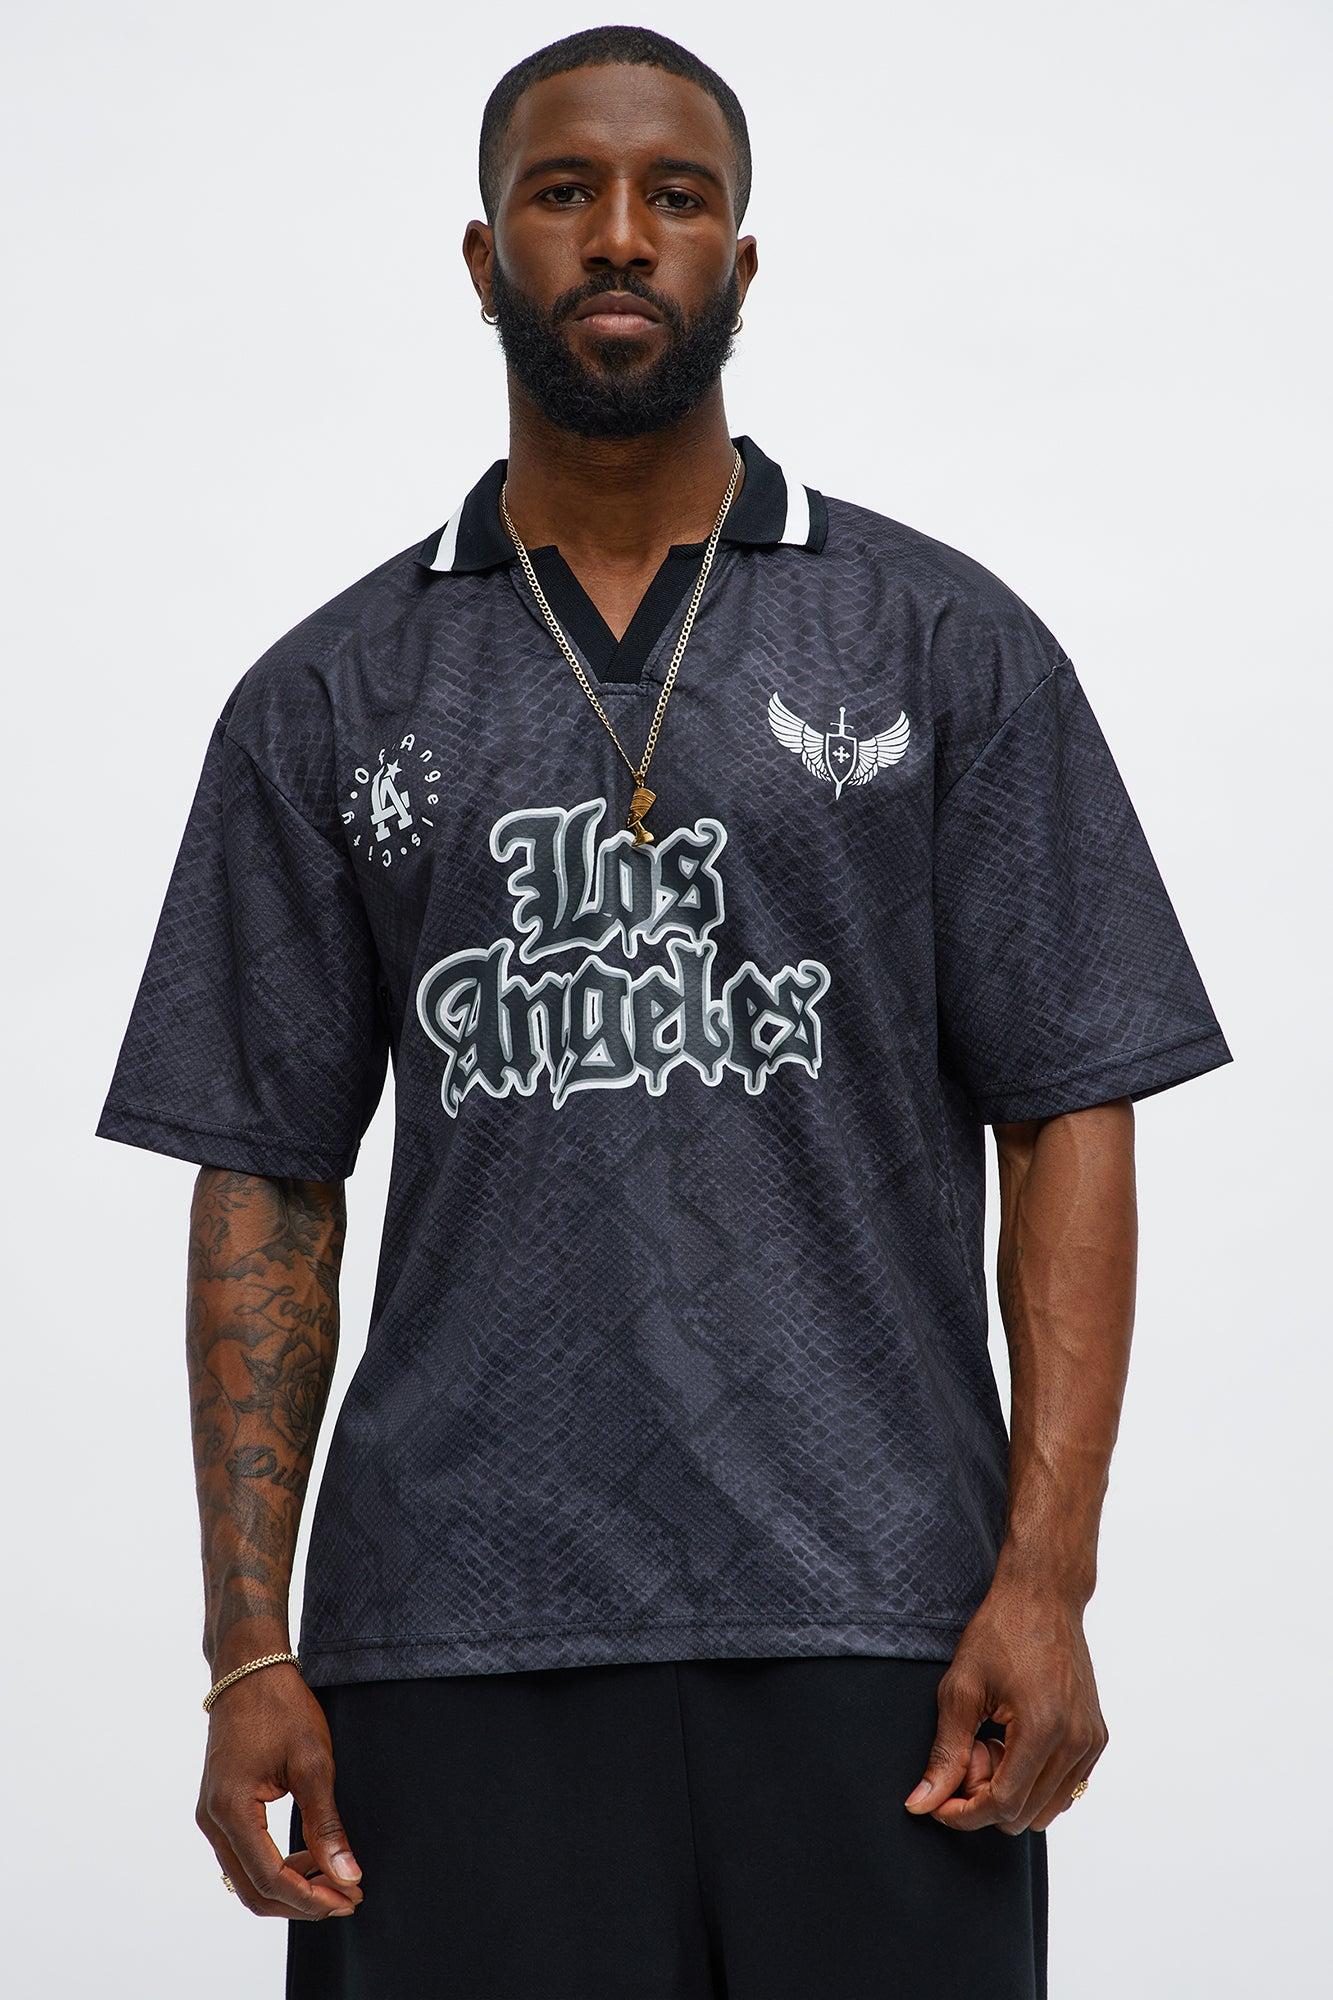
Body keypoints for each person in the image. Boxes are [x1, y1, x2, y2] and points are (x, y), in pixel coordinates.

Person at [95, 24, 1232, 1999]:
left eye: (674, 197)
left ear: (739, 259)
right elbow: (265, 1178)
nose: (619, 235)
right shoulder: (328, 696)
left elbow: (1069, 1105)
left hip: (879, 1622)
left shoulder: (941, 644)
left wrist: (1046, 1580)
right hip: (448, 1636)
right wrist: (245, 1645)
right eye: (564, 194)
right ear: (483, 257)